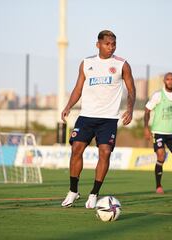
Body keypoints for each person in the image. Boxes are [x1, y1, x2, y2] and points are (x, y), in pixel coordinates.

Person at [61, 30, 136, 208]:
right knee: (76, 150)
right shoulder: (86, 63)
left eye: (113, 44)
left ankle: (94, 193)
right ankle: (73, 191)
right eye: (107, 44)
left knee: (105, 153)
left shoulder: (122, 64)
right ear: (98, 44)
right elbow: (78, 89)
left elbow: (131, 90)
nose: (111, 47)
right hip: (86, 117)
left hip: (108, 119)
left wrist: (130, 109)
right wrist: (68, 106)